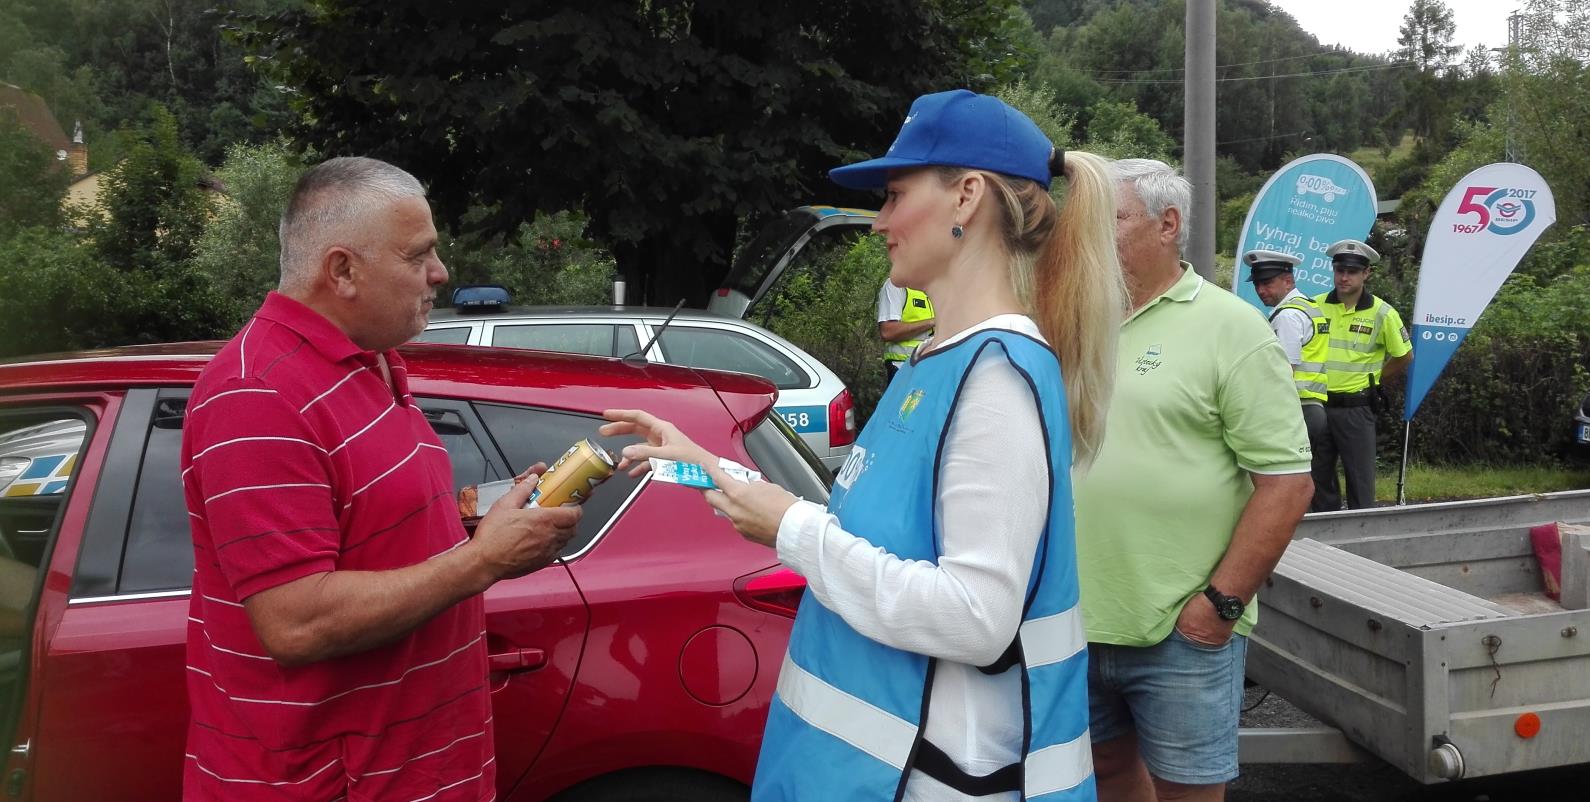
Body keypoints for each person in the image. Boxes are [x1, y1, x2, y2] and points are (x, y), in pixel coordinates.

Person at [603, 89, 1125, 801]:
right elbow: (858, 531)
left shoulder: (997, 375)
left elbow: (974, 619)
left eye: (894, 194)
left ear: (967, 196)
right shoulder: (935, 361)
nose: (879, 221)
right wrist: (698, 462)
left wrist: (790, 530)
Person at [182, 157, 582, 801]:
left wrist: (479, 527)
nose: (439, 273)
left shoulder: (370, 363)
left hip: (415, 773)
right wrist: (483, 561)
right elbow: (295, 623)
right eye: (418, 254)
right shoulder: (258, 394)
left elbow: (363, 531)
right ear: (341, 270)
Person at [1074, 159, 1313, 802]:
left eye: (1111, 221)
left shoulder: (1232, 329)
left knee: (1188, 792)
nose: (1091, 237)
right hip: (1074, 619)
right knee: (1106, 776)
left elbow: (1287, 483)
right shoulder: (1077, 322)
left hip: (1181, 630)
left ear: (1167, 224)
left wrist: (1220, 607)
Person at [1316, 239, 1413, 511]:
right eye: (1339, 270)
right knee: (1319, 478)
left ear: (1366, 273)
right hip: (1318, 406)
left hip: (1356, 409)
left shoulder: (1383, 313)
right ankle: (1328, 541)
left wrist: (1374, 380)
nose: (1344, 277)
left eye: (1352, 271)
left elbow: (1404, 355)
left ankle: (1362, 537)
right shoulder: (1314, 306)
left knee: (1360, 480)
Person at [1243, 249, 1338, 514]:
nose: (1261, 290)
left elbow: (1283, 370)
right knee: (1314, 483)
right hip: (1313, 407)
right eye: (1258, 284)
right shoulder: (1308, 306)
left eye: (1268, 283)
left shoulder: (1287, 316)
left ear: (1288, 280)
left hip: (1295, 410)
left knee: (1285, 487)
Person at [878, 280, 936, 385]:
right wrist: (932, 322)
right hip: (903, 368)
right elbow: (887, 332)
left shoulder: (934, 289)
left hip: (931, 369)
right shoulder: (896, 285)